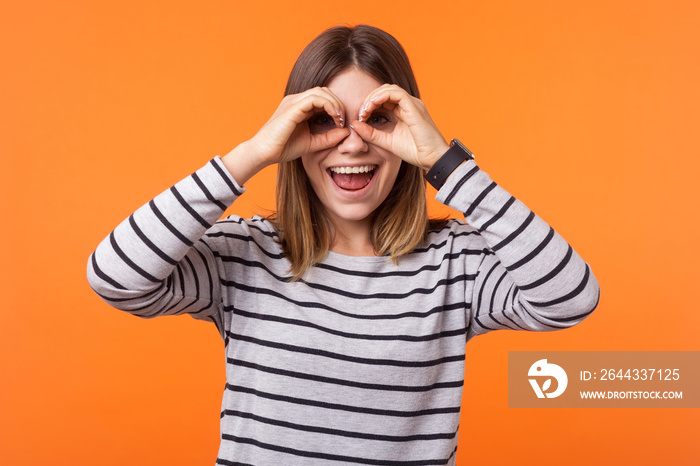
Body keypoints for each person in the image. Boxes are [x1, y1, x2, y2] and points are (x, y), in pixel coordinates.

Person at [87, 24, 599, 466]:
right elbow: (113, 277)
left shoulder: (455, 264)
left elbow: (570, 298)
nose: (353, 143)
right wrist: (252, 154)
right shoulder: (244, 255)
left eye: (378, 119)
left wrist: (444, 162)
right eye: (324, 121)